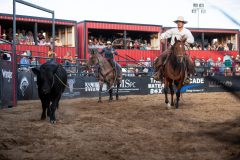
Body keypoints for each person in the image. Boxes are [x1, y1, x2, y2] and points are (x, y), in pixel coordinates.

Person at [152, 16, 194, 84]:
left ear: (183, 23)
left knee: (189, 61)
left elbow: (192, 40)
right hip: (172, 49)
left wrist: (185, 39)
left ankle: (187, 76)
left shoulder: (187, 31)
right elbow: (164, 34)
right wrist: (162, 38)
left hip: (182, 50)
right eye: (178, 22)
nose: (179, 23)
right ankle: (157, 73)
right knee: (161, 56)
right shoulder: (173, 30)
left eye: (180, 22)